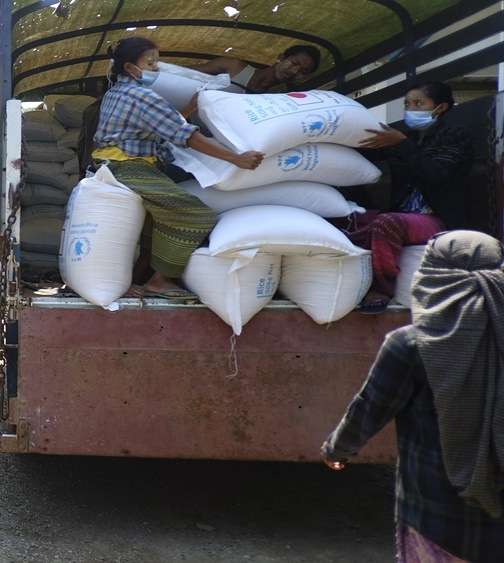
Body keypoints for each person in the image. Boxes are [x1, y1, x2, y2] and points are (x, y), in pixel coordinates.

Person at [321, 230, 504, 562]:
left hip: (436, 522)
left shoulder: (411, 344)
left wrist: (338, 451)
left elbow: (370, 409)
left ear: (432, 277)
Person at [92, 37, 264, 299]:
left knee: (154, 224)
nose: (156, 68)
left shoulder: (117, 92)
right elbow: (185, 136)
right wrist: (235, 158)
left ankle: (138, 279)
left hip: (115, 165)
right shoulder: (142, 95)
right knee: (196, 215)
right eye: (150, 63)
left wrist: (187, 109)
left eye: (156, 61)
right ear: (130, 67)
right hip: (128, 168)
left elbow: (152, 128)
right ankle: (161, 279)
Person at [350, 81, 473, 314]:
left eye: (419, 103)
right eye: (407, 103)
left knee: (388, 223)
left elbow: (435, 174)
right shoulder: (401, 139)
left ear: (441, 107)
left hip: (435, 219)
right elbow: (363, 151)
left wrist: (403, 144)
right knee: (350, 218)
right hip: (404, 214)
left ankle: (382, 288)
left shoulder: (455, 136)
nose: (410, 109)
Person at [191, 44, 321, 94]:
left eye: (303, 72)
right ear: (281, 57)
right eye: (294, 63)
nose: (294, 71)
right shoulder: (233, 66)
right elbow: (179, 72)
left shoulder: (273, 99)